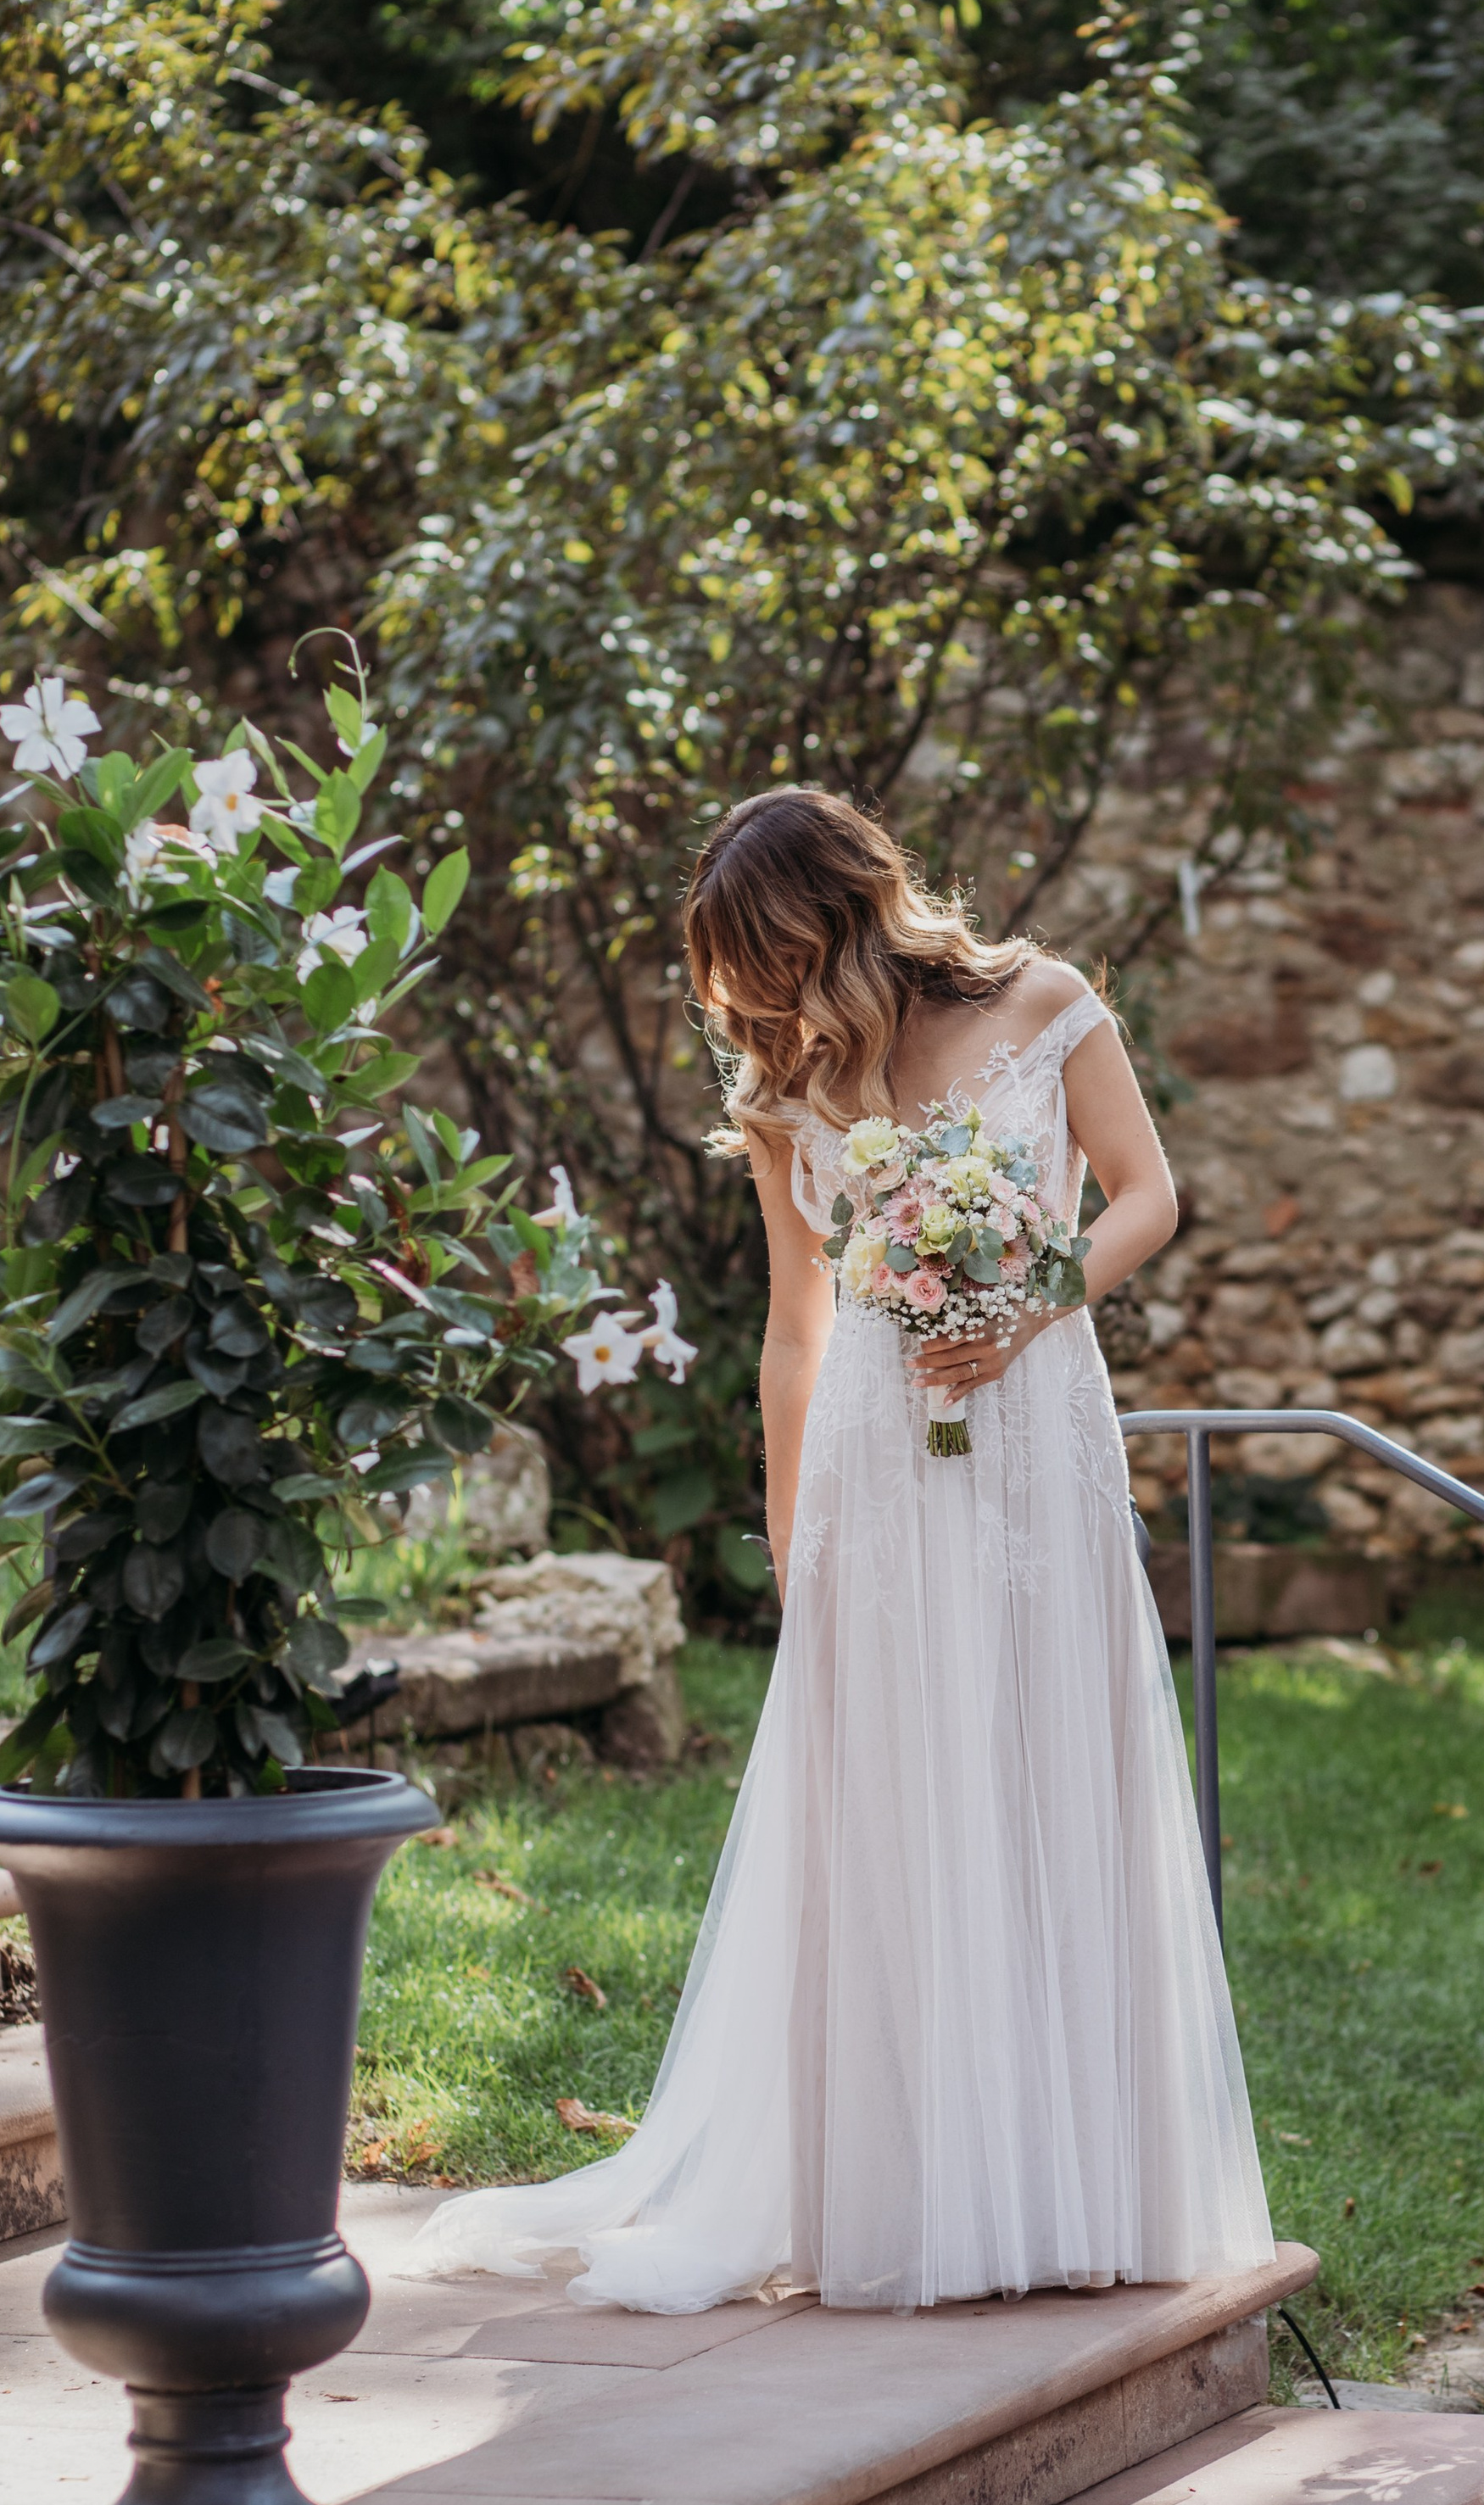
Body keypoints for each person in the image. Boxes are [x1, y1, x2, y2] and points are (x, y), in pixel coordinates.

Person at [413, 788, 1272, 2312]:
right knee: (895, 1801)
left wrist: (1029, 1301)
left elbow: (1150, 1197)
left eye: (768, 956)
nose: (755, 997)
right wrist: (793, 1528)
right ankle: (916, 2187)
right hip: (885, 1468)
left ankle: (1079, 2185)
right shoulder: (782, 1096)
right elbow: (796, 1331)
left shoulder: (1051, 1004)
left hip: (1034, 1441)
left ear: (841, 915)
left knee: (1048, 1769)